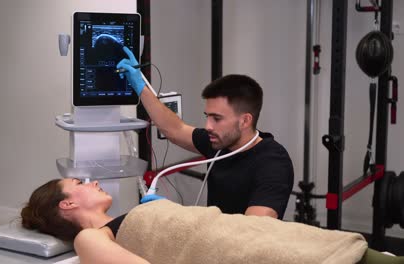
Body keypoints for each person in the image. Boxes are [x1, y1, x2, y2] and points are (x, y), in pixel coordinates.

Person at [21, 178, 404, 264]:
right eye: (79, 182)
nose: (92, 181)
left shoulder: (132, 212)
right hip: (242, 251)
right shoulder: (92, 238)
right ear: (67, 203)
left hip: (255, 233)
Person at [116, 47, 294, 219]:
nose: (207, 126)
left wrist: (181, 216)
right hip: (212, 244)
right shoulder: (220, 142)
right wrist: (140, 85)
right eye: (207, 116)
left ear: (245, 120)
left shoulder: (273, 162)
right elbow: (175, 129)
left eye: (216, 118)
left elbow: (252, 229)